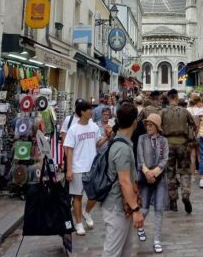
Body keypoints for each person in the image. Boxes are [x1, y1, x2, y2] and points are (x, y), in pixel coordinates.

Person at [102, 101, 144, 257]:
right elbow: (124, 181)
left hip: (121, 207)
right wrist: (136, 209)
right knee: (112, 252)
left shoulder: (121, 143)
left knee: (124, 251)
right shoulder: (123, 148)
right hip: (117, 207)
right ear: (135, 122)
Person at [64, 100, 112, 236]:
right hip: (77, 167)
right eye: (89, 109)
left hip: (93, 167)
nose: (92, 111)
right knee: (77, 197)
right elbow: (69, 150)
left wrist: (107, 138)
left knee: (96, 194)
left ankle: (87, 212)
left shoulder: (94, 127)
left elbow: (98, 143)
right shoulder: (73, 129)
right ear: (82, 112)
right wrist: (69, 170)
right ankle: (79, 224)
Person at [159, 88, 197, 213]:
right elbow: (193, 125)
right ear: (176, 98)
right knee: (185, 171)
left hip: (168, 144)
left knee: (170, 173)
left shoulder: (163, 112)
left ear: (169, 98)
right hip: (183, 144)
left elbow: (158, 127)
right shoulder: (184, 111)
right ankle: (185, 193)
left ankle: (173, 200)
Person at [136, 113, 169, 254]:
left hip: (159, 178)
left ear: (157, 126)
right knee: (143, 209)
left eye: (151, 125)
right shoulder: (141, 139)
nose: (148, 127)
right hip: (144, 177)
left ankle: (156, 240)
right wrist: (147, 173)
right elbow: (140, 158)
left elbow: (165, 159)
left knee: (158, 209)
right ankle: (139, 226)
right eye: (147, 125)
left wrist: (154, 173)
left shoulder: (163, 141)